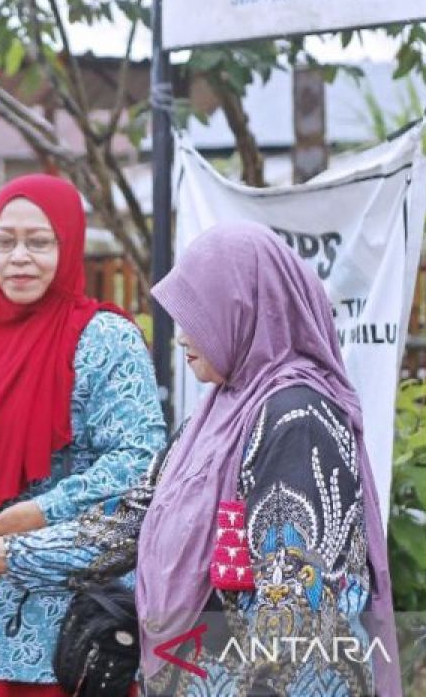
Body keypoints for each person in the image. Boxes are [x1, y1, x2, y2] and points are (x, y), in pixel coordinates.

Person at [0, 174, 165, 695]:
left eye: (39, 242)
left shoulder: (104, 338)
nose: (19, 257)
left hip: (76, 635)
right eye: (5, 242)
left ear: (67, 245)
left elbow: (138, 462)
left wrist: (43, 510)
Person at [135, 221, 400, 695]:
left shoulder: (296, 418)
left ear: (246, 311)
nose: (180, 337)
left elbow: (292, 615)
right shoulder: (222, 410)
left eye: (199, 316)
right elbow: (135, 514)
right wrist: (2, 553)